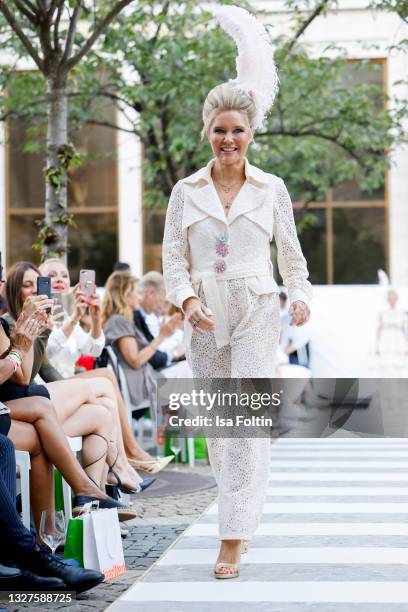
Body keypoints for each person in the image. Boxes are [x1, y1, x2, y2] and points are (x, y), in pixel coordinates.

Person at [162, 5, 312, 579]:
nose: (229, 139)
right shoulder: (185, 190)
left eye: (238, 130)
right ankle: (241, 515)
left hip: (255, 309)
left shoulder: (272, 189)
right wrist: (187, 300)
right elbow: (173, 258)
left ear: (251, 133)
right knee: (220, 432)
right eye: (220, 130)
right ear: (209, 132)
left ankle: (231, 536)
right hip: (204, 317)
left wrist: (299, 296)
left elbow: (291, 257)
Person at [3, 262, 140, 508]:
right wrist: (34, 331)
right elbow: (26, 377)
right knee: (97, 384)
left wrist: (43, 327)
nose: (36, 291)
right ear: (13, 291)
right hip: (24, 398)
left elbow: (47, 368)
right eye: (27, 285)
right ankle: (121, 467)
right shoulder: (9, 322)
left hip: (38, 394)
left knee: (101, 411)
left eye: (38, 283)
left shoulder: (40, 319)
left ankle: (95, 503)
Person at [38, 259, 159, 478]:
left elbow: (92, 350)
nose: (58, 280)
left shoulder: (65, 313)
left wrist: (95, 318)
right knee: (106, 375)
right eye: (51, 275)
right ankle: (131, 452)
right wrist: (76, 317)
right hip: (50, 388)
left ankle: (112, 472)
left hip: (68, 386)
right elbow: (50, 350)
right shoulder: (40, 313)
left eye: (64, 275)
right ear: (40, 279)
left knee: (107, 402)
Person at [102, 271, 175, 474]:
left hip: (139, 380)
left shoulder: (123, 320)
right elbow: (135, 360)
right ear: (124, 294)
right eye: (135, 292)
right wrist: (162, 336)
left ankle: (146, 453)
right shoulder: (119, 321)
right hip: (135, 383)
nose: (139, 296)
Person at [376, 289, 408, 377]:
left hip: (399, 341)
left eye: (394, 299)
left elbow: (405, 329)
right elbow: (378, 329)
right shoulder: (382, 312)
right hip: (385, 341)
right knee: (385, 366)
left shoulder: (402, 313)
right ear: (387, 300)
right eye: (390, 299)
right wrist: (377, 346)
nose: (392, 301)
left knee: (400, 366)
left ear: (397, 299)